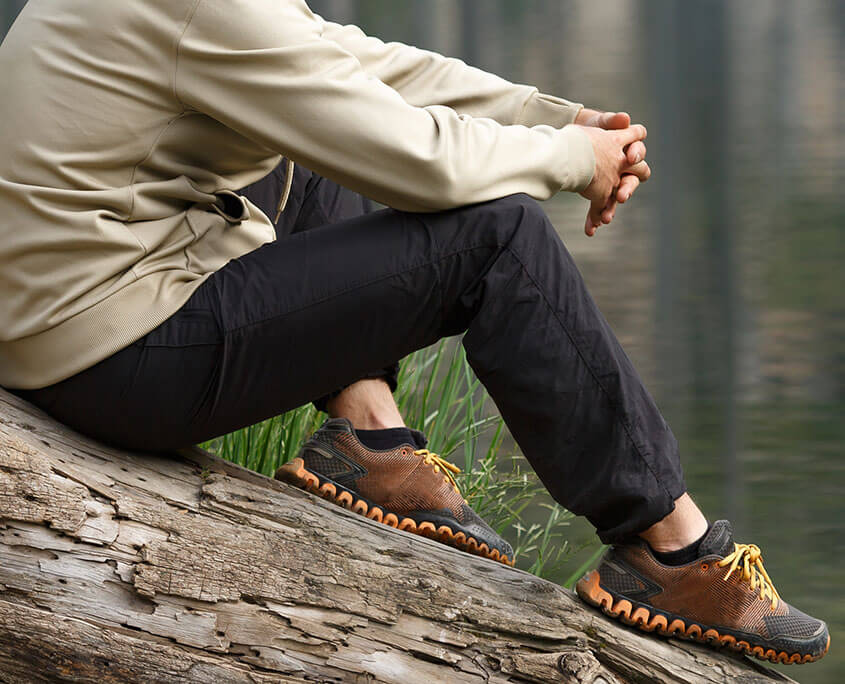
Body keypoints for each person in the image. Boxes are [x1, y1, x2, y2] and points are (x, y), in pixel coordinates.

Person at [0, 0, 827, 665]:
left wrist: (558, 117)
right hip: (107, 353)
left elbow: (356, 66)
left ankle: (370, 442)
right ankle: (668, 553)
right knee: (495, 234)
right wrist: (570, 158)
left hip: (68, 308)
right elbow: (418, 161)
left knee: (314, 139)